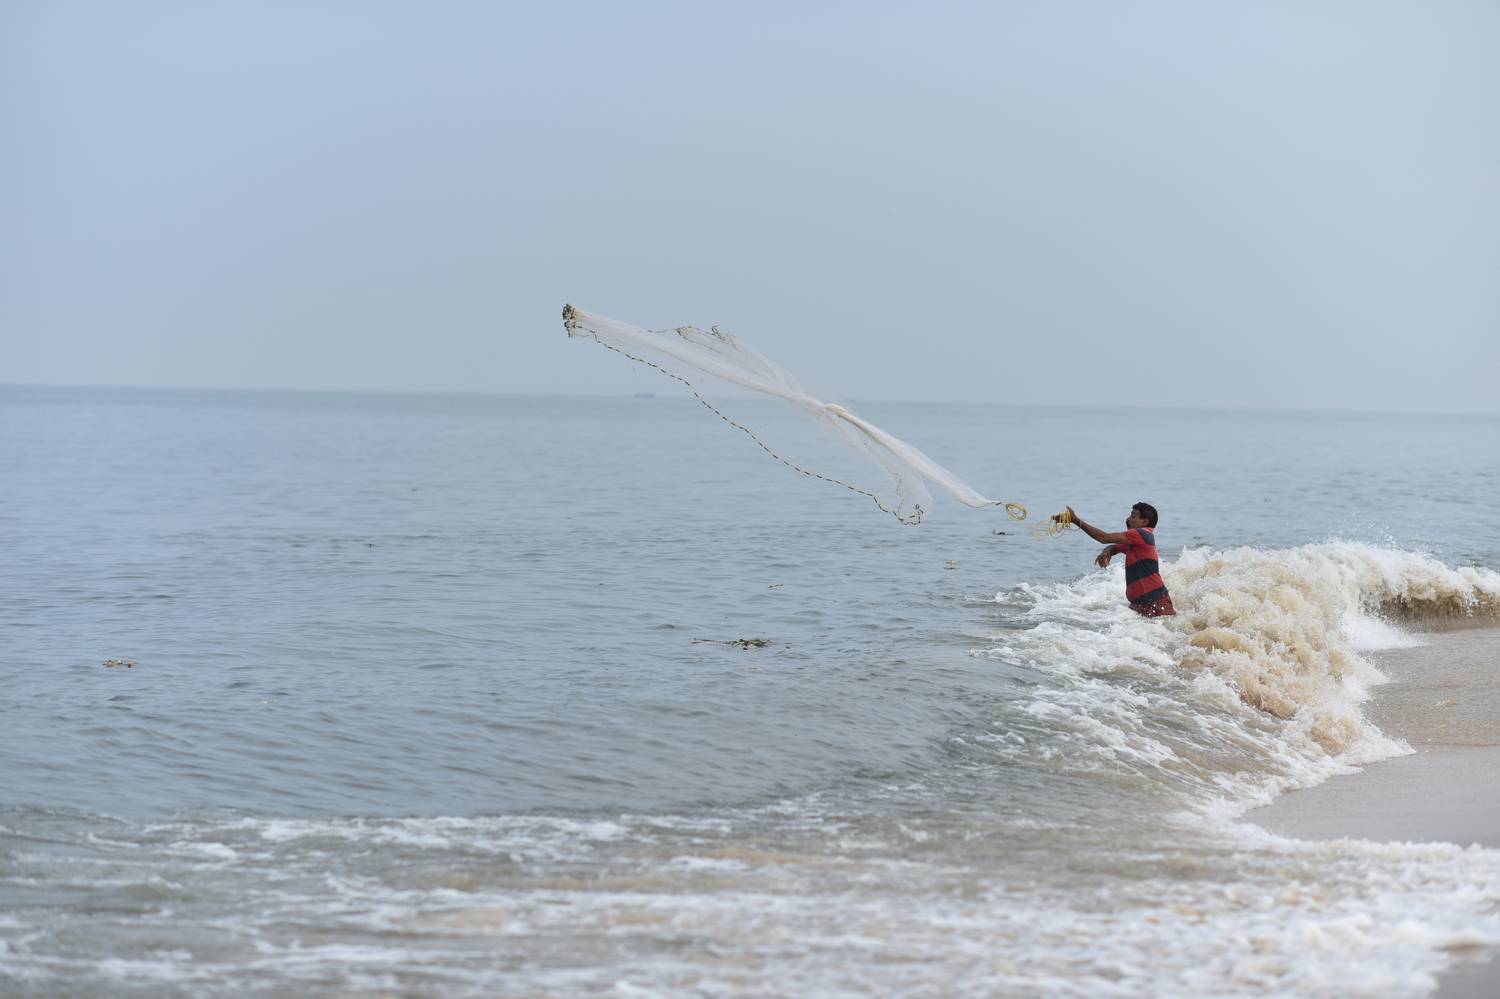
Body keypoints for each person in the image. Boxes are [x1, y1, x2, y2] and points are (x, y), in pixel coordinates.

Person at [1056, 502, 1176, 617]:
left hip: (1156, 602)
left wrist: (1075, 520)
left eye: (1133, 516)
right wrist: (1106, 553)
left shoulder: (1142, 534)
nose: (1128, 519)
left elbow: (1104, 538)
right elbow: (1113, 547)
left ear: (1144, 521)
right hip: (1140, 605)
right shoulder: (1135, 542)